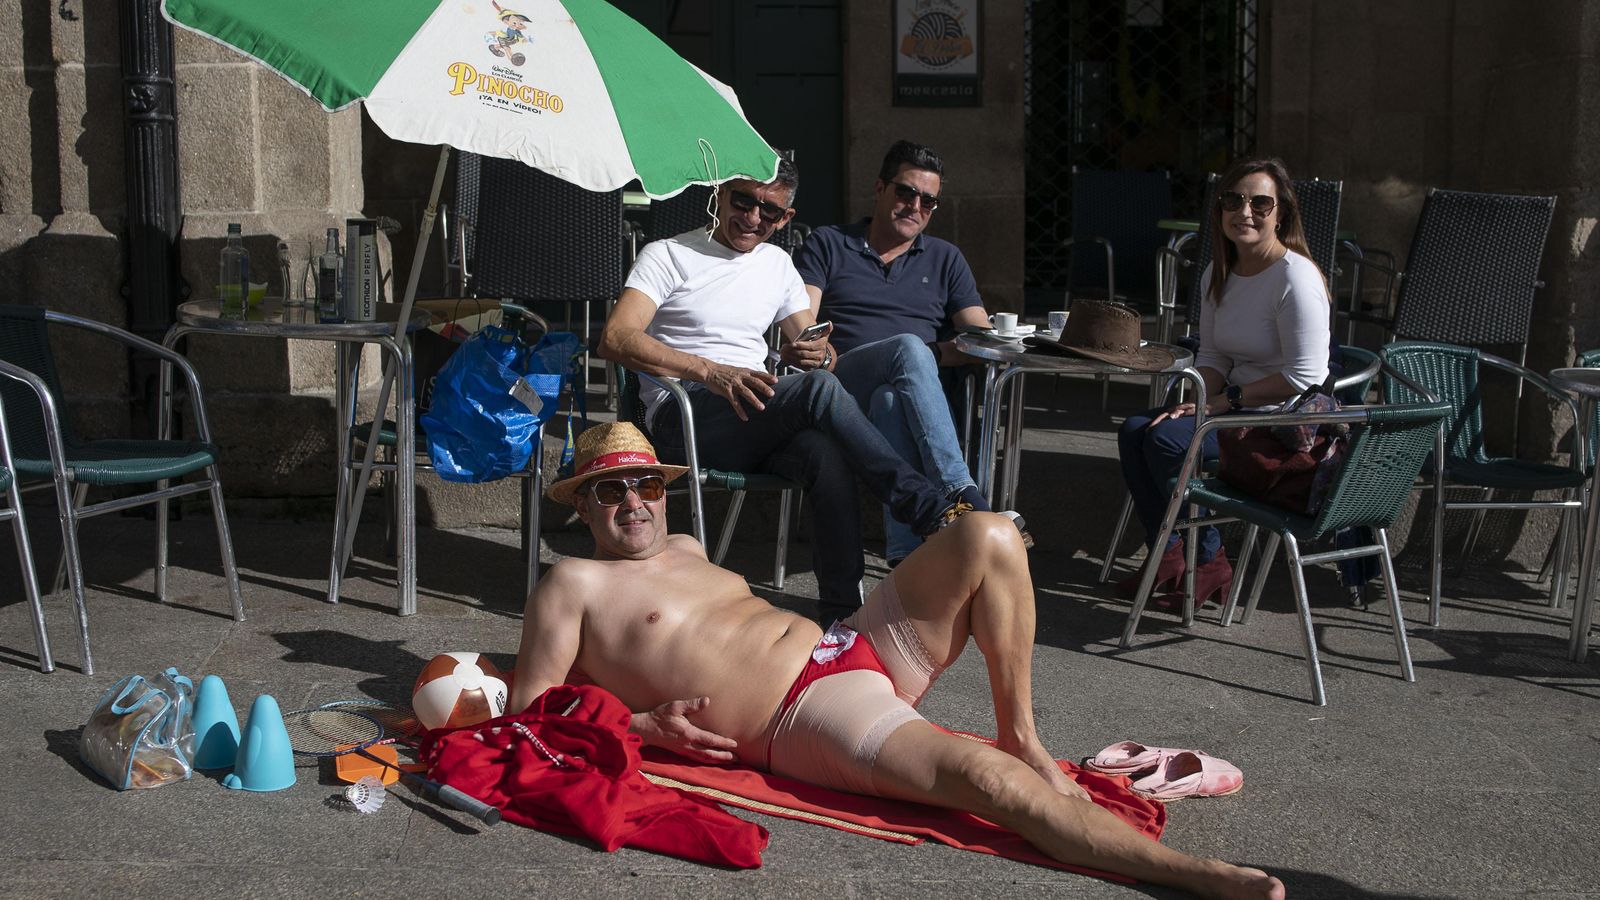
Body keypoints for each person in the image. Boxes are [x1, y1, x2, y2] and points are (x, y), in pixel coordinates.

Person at [510, 422, 1284, 900]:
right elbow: (528, 718)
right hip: (803, 716)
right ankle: (1191, 873)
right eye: (612, 492)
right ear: (582, 505)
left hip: (847, 644)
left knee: (990, 534)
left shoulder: (684, 545)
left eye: (646, 483)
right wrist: (642, 726)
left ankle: (1023, 734)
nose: (635, 502)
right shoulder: (572, 584)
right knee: (987, 785)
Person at [598, 158, 1006, 626]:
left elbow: (814, 345)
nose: (753, 218)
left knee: (822, 451)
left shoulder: (776, 264)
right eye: (743, 201)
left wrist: (818, 354)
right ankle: (928, 508)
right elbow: (616, 336)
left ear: (785, 217)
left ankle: (842, 614)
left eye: (769, 212)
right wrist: (711, 372)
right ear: (720, 194)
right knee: (816, 394)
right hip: (686, 413)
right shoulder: (668, 254)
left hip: (753, 412)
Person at [1116, 157, 1332, 608]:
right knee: (1136, 429)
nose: (1245, 212)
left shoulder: (1295, 277)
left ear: (1282, 213)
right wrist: (1197, 399)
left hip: (1279, 423)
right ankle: (1171, 554)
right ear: (1219, 210)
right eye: (1233, 200)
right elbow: (1213, 355)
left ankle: (1209, 559)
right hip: (1235, 408)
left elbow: (1305, 376)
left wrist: (1220, 403)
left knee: (1170, 443)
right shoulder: (1220, 270)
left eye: (1260, 202)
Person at [793, 140, 1012, 566]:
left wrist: (932, 357)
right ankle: (959, 492)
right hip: (841, 385)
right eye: (905, 192)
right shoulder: (828, 244)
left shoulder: (946, 258)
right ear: (879, 188)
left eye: (928, 200)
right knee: (908, 349)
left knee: (890, 398)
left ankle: (906, 558)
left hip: (912, 396)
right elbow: (805, 325)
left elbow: (980, 339)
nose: (915, 206)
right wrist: (919, 353)